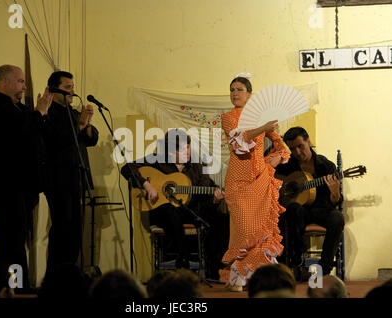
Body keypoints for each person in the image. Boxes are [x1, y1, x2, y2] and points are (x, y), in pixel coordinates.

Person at [0, 65, 53, 289]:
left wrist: (41, 113)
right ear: (3, 82)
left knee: (18, 240)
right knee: (11, 243)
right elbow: (18, 135)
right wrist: (38, 112)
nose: (25, 86)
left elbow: (35, 134)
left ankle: (18, 286)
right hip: (5, 185)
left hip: (22, 186)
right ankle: (15, 288)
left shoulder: (17, 108)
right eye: (20, 81)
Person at [121, 129, 227, 275]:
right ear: (170, 152)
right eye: (183, 149)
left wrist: (215, 199)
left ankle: (215, 269)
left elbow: (207, 191)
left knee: (222, 220)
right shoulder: (157, 161)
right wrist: (147, 185)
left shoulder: (196, 166)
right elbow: (127, 168)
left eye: (188, 147)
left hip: (190, 211)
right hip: (162, 211)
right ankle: (183, 262)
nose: (188, 152)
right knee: (170, 212)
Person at [219, 75, 290, 290]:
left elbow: (282, 146)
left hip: (259, 179)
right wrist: (263, 127)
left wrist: (277, 157)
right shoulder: (228, 117)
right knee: (244, 230)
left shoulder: (260, 117)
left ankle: (259, 279)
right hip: (238, 182)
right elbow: (240, 141)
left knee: (261, 230)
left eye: (239, 89)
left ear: (249, 94)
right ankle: (238, 277)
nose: (235, 93)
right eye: (232, 89)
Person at [42, 71, 99, 271]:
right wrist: (81, 124)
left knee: (76, 231)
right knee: (63, 229)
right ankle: (56, 276)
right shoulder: (49, 112)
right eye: (67, 88)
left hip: (78, 178)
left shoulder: (72, 112)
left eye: (73, 88)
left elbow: (90, 140)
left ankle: (71, 274)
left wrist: (87, 123)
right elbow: (57, 141)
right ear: (53, 89)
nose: (72, 92)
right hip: (58, 180)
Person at [275, 126, 344, 276]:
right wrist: (284, 190)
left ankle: (323, 270)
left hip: (321, 210)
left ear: (309, 141)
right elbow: (274, 181)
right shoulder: (287, 165)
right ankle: (297, 256)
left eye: (301, 146)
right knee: (293, 208)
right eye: (293, 149)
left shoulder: (326, 166)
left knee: (337, 218)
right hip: (299, 214)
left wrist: (335, 193)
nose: (298, 153)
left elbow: (336, 201)